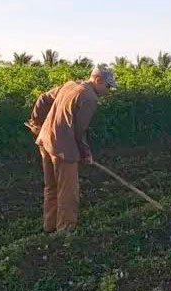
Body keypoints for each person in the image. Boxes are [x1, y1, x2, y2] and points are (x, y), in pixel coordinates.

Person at [26, 64, 117, 233]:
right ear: (98, 80)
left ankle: (49, 226)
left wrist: (36, 123)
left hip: (45, 141)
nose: (108, 90)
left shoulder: (70, 85)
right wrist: (86, 153)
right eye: (107, 86)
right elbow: (79, 131)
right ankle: (65, 231)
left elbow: (43, 98)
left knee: (51, 186)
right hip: (63, 149)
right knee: (68, 192)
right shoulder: (89, 98)